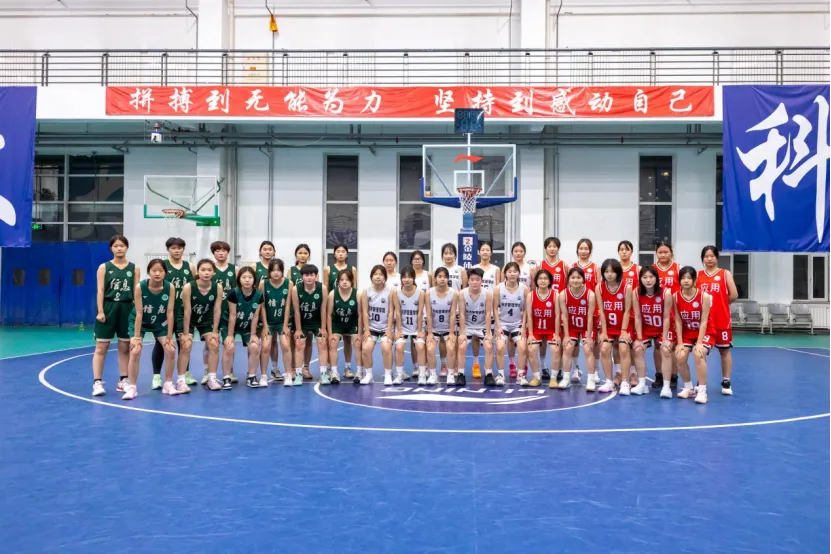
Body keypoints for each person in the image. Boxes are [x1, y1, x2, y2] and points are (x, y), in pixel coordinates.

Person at [121, 259, 178, 400]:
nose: (157, 273)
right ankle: (132, 387)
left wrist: (169, 336)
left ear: (165, 273)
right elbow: (139, 313)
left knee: (170, 349)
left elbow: (170, 312)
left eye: (161, 270)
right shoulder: (140, 287)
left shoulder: (170, 287)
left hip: (160, 322)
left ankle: (168, 384)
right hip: (140, 321)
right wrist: (136, 337)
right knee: (135, 350)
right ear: (148, 272)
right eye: (154, 270)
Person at [92, 235, 139, 396]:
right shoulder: (104, 267)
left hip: (127, 307)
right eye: (116, 246)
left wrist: (137, 312)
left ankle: (123, 380)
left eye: (122, 245)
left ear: (127, 247)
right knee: (101, 347)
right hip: (108, 306)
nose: (119, 248)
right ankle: (97, 382)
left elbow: (136, 292)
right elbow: (100, 291)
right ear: (111, 248)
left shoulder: (134, 268)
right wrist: (100, 311)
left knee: (125, 347)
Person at [151, 237, 196, 390]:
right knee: (161, 343)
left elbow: (194, 286)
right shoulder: (163, 266)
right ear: (168, 250)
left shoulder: (190, 266)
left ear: (183, 249)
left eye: (179, 248)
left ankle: (185, 374)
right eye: (173, 248)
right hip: (165, 311)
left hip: (183, 311)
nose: (176, 251)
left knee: (184, 343)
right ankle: (156, 376)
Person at [698, 245, 738, 396]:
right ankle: (701, 381)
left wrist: (721, 304)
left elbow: (733, 295)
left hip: (722, 320)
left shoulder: (725, 274)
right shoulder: (698, 275)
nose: (709, 259)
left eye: (712, 256)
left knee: (724, 350)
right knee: (701, 351)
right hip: (704, 321)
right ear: (703, 259)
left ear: (717, 257)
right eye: (706, 256)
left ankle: (726, 381)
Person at [673, 266, 715, 404]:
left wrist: (699, 343)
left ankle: (702, 391)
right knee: (680, 356)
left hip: (705, 332)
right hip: (687, 332)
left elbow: (704, 321)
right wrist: (679, 343)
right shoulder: (675, 296)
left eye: (689, 278)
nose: (686, 281)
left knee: (699, 354)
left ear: (694, 280)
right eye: (683, 278)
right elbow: (678, 320)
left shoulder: (704, 296)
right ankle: (688, 388)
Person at [180, 259, 223, 391]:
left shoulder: (218, 287)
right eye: (203, 270)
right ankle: (181, 380)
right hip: (189, 319)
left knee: (214, 343)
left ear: (214, 272)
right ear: (198, 272)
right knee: (186, 345)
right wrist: (186, 333)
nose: (206, 273)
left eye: (209, 270)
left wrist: (215, 331)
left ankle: (211, 379)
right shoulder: (189, 287)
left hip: (206, 318)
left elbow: (217, 310)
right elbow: (187, 311)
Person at [632, 266, 673, 398]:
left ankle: (666, 386)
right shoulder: (636, 292)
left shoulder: (666, 292)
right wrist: (639, 338)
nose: (648, 280)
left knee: (665, 349)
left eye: (651, 277)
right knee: (638, 349)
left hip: (663, 329)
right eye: (644, 277)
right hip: (646, 328)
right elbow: (637, 316)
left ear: (657, 278)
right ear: (640, 279)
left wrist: (665, 339)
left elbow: (666, 317)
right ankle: (642, 384)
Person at [220, 266, 264, 390]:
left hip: (247, 325)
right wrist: (230, 335)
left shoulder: (259, 295)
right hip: (229, 324)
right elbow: (233, 315)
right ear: (239, 279)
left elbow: (255, 316)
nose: (247, 280)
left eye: (250, 277)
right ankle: (226, 377)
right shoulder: (234, 293)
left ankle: (251, 376)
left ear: (254, 280)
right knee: (229, 346)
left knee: (254, 346)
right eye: (244, 277)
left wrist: (253, 334)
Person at [595, 259, 633, 394]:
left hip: (624, 326)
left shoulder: (627, 287)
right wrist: (604, 332)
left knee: (623, 348)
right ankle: (609, 381)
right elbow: (601, 311)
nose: (609, 274)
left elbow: (627, 310)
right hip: (609, 326)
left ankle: (625, 382)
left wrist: (623, 331)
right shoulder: (599, 287)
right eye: (606, 271)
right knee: (604, 349)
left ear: (618, 272)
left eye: (612, 271)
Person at [559, 267, 597, 391]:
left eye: (578, 277)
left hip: (587, 327)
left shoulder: (590, 294)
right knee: (567, 347)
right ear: (568, 279)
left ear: (583, 280)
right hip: (572, 326)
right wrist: (566, 335)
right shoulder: (563, 294)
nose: (575, 280)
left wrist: (589, 337)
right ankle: (566, 378)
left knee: (587, 348)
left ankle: (591, 380)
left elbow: (590, 317)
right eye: (573, 277)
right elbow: (564, 316)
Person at [259, 258, 294, 387]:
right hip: (268, 322)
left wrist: (285, 325)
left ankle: (288, 374)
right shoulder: (263, 283)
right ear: (269, 272)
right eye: (273, 270)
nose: (276, 273)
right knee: (266, 346)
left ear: (282, 271)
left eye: (279, 270)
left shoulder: (288, 283)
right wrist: (265, 325)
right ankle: (263, 375)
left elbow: (288, 305)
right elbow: (262, 305)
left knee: (285, 345)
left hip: (282, 322)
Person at [652, 240, 681, 390]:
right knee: (658, 345)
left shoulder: (678, 268)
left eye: (666, 252)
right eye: (660, 252)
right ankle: (659, 375)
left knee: (672, 346)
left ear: (671, 253)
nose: (663, 255)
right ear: (656, 253)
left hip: (673, 313)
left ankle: (673, 376)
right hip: (655, 312)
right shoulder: (651, 270)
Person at [292, 264, 328, 384]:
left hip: (317, 322)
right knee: (299, 344)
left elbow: (324, 309)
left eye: (312, 275)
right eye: (306, 275)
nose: (309, 277)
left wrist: (323, 328)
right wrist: (298, 329)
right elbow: (296, 311)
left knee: (322, 343)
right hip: (303, 322)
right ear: (302, 276)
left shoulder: (322, 288)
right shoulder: (296, 289)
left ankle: (323, 374)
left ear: (316, 276)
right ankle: (298, 374)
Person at [205, 240, 236, 384]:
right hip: (211, 311)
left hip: (229, 311)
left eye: (223, 250)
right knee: (210, 342)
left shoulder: (234, 269)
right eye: (217, 251)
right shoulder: (209, 269)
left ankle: (230, 371)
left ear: (228, 252)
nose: (221, 253)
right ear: (213, 253)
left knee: (229, 341)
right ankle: (207, 371)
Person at [456, 268, 493, 386]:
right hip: (467, 326)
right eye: (472, 279)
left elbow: (488, 314)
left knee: (488, 346)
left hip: (481, 326)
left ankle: (488, 374)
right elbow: (462, 314)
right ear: (468, 281)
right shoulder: (462, 293)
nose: (475, 282)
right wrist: (462, 333)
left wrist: (488, 333)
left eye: (477, 279)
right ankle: (461, 374)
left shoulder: (487, 293)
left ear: (482, 280)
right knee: (462, 346)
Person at [358, 265, 393, 385]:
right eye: (375, 274)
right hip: (372, 327)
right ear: (371, 277)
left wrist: (389, 330)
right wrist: (366, 330)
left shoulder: (390, 291)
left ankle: (388, 375)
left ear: (385, 277)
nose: (378, 277)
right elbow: (365, 311)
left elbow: (391, 311)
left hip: (385, 327)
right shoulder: (366, 291)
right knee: (366, 348)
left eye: (381, 274)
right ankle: (369, 375)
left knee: (386, 347)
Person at [524, 268, 559, 388]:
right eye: (540, 278)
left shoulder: (555, 295)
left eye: (545, 278)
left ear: (550, 281)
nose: (543, 281)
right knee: (531, 348)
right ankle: (536, 377)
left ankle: (553, 378)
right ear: (536, 281)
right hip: (536, 329)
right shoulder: (531, 295)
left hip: (551, 329)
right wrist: (531, 334)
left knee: (555, 349)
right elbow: (529, 316)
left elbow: (557, 316)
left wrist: (557, 334)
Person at [494, 262, 527, 386]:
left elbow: (527, 309)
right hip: (503, 323)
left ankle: (520, 375)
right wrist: (498, 326)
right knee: (500, 347)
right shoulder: (498, 288)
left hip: (517, 324)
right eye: (509, 271)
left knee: (522, 347)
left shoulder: (524, 288)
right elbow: (494, 309)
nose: (512, 274)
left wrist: (523, 326)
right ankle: (500, 375)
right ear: (505, 274)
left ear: (519, 273)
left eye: (515, 271)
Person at [326, 268, 362, 384]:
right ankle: (334, 372)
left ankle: (358, 371)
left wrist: (360, 333)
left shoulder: (358, 294)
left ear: (352, 281)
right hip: (337, 323)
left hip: (353, 323)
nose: (344, 282)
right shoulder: (332, 294)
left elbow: (361, 315)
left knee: (357, 343)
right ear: (338, 282)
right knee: (332, 343)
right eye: (341, 280)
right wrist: (330, 334)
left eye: (347, 280)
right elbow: (328, 315)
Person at [392, 266, 427, 385]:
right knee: (399, 347)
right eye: (404, 277)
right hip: (403, 327)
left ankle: (422, 374)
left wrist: (420, 330)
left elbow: (420, 312)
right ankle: (399, 374)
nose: (407, 279)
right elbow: (397, 312)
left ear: (414, 278)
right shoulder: (396, 292)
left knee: (420, 347)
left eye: (410, 277)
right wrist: (398, 330)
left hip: (416, 327)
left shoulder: (420, 292)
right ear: (401, 279)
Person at [539, 236, 567, 381]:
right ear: (545, 248)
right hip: (543, 305)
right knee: (543, 338)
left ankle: (560, 368)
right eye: (549, 246)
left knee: (558, 338)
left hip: (559, 306)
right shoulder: (541, 265)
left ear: (558, 248)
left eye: (554, 246)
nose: (552, 249)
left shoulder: (564, 265)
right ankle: (543, 366)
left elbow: (568, 286)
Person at [471, 241, 500, 378]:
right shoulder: (473, 268)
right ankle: (476, 364)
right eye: (482, 249)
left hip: (491, 307)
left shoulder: (496, 269)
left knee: (489, 337)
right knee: (475, 337)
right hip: (476, 307)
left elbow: (498, 289)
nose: (485, 252)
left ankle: (488, 366)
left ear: (491, 252)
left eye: (487, 250)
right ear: (479, 252)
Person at [425, 267, 458, 386]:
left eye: (445, 277)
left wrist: (452, 332)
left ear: (448, 279)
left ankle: (450, 374)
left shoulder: (454, 293)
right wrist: (429, 333)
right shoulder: (429, 293)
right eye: (440, 276)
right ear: (435, 279)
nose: (442, 279)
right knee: (430, 348)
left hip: (448, 328)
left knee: (451, 348)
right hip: (434, 328)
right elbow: (428, 313)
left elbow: (453, 313)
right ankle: (433, 374)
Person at [438, 243, 466, 377]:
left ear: (455, 255)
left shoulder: (461, 270)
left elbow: (465, 290)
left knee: (454, 338)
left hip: (457, 309)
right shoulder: (438, 270)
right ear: (442, 255)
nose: (448, 256)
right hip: (441, 309)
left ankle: (455, 364)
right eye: (446, 253)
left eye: (451, 253)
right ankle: (444, 365)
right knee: (442, 339)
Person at [617, 240, 640, 387]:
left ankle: (633, 373)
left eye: (627, 249)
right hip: (617, 311)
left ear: (631, 251)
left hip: (633, 312)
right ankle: (619, 372)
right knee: (616, 344)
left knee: (631, 345)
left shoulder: (637, 269)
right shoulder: (614, 269)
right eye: (621, 249)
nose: (624, 252)